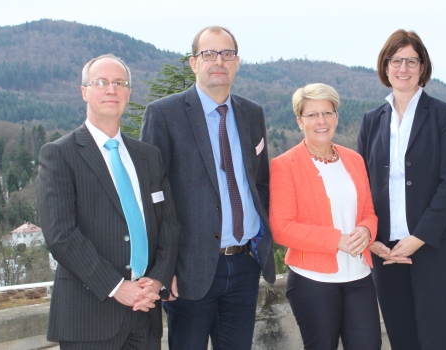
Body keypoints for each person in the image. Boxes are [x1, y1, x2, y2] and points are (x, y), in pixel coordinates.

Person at [140, 26, 275, 349]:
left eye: (227, 54)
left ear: (237, 62)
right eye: (209, 54)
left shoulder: (251, 113)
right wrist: (163, 268)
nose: (219, 61)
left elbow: (260, 183)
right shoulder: (164, 114)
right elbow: (152, 199)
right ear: (193, 63)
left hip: (244, 265)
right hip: (189, 270)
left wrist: (259, 248)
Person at [37, 54, 180, 349]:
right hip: (89, 317)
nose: (111, 90)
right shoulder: (60, 155)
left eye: (119, 83)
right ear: (84, 92)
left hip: (145, 314)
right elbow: (61, 235)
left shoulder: (149, 156)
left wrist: (156, 280)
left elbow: (169, 225)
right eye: (100, 82)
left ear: (128, 93)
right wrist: (116, 287)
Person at [357, 29, 446, 350]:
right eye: (396, 61)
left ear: (422, 68)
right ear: (385, 66)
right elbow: (361, 184)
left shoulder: (443, 114)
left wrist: (417, 239)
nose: (403, 69)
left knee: (433, 340)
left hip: (433, 249)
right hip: (386, 252)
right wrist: (373, 240)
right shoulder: (371, 120)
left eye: (411, 61)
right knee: (401, 340)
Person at [270, 83, 381, 350]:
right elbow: (282, 228)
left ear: (336, 117)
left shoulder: (354, 160)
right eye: (312, 115)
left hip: (358, 275)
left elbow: (368, 213)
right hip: (313, 281)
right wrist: (337, 240)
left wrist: (366, 230)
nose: (321, 121)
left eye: (328, 113)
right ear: (299, 121)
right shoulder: (284, 165)